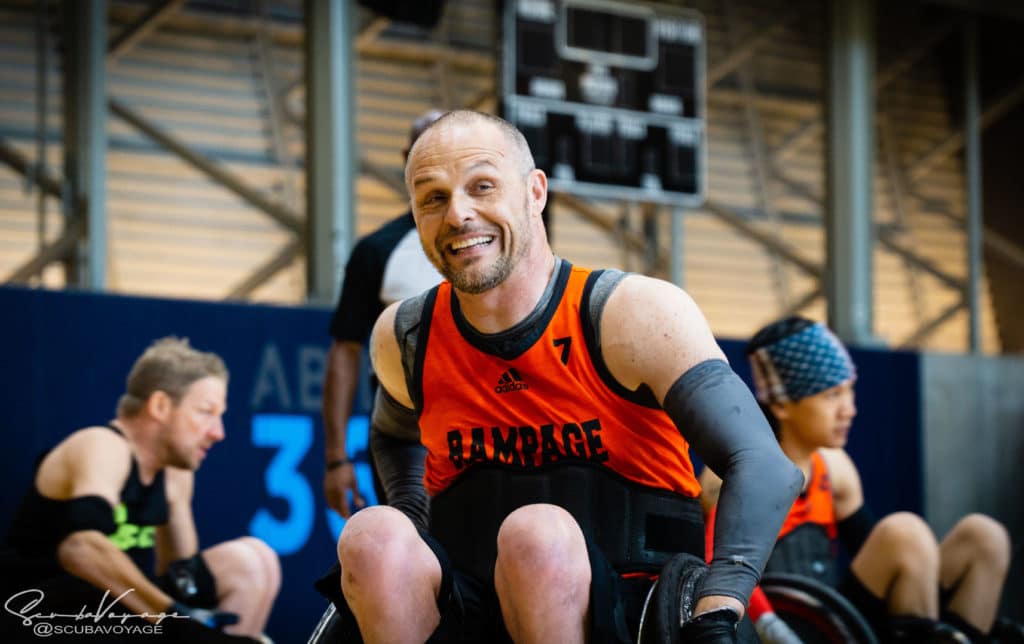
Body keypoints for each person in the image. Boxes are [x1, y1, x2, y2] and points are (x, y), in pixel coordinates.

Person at [313, 109, 804, 643]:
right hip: (472, 603)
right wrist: (410, 510)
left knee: (537, 536)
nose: (457, 215)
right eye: (433, 198)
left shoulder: (633, 314)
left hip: (625, 605)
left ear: (535, 192)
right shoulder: (404, 333)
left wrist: (718, 607)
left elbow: (761, 463)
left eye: (482, 186)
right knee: (374, 535)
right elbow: (392, 432)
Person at [700, 316, 1020, 643]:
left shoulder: (834, 468)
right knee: (904, 531)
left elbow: (883, 551)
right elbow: (719, 569)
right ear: (782, 403)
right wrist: (769, 624)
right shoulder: (732, 472)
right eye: (832, 395)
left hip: (837, 612)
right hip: (786, 626)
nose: (849, 409)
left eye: (849, 391)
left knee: (984, 536)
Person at [0, 337, 281, 643]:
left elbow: (183, 580)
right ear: (160, 406)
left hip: (112, 612)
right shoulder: (102, 444)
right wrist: (176, 620)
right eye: (206, 412)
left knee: (254, 562)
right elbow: (80, 549)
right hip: (44, 615)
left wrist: (184, 614)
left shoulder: (174, 472)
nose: (218, 433)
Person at [322, 109, 445, 518]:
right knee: (416, 549)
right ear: (407, 159)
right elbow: (344, 352)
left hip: (485, 429)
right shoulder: (378, 250)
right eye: (426, 152)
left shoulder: (491, 244)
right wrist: (336, 459)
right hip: (405, 436)